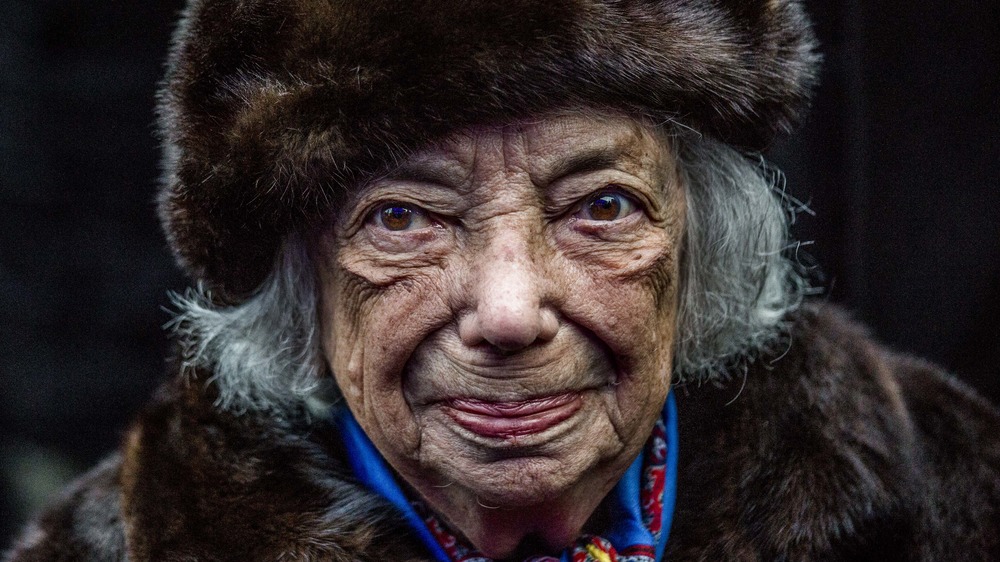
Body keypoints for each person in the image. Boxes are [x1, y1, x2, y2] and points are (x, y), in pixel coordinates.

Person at [5, 0, 998, 560]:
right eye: (401, 218)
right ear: (301, 277)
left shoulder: (940, 497)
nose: (510, 311)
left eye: (600, 207)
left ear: (700, 243)